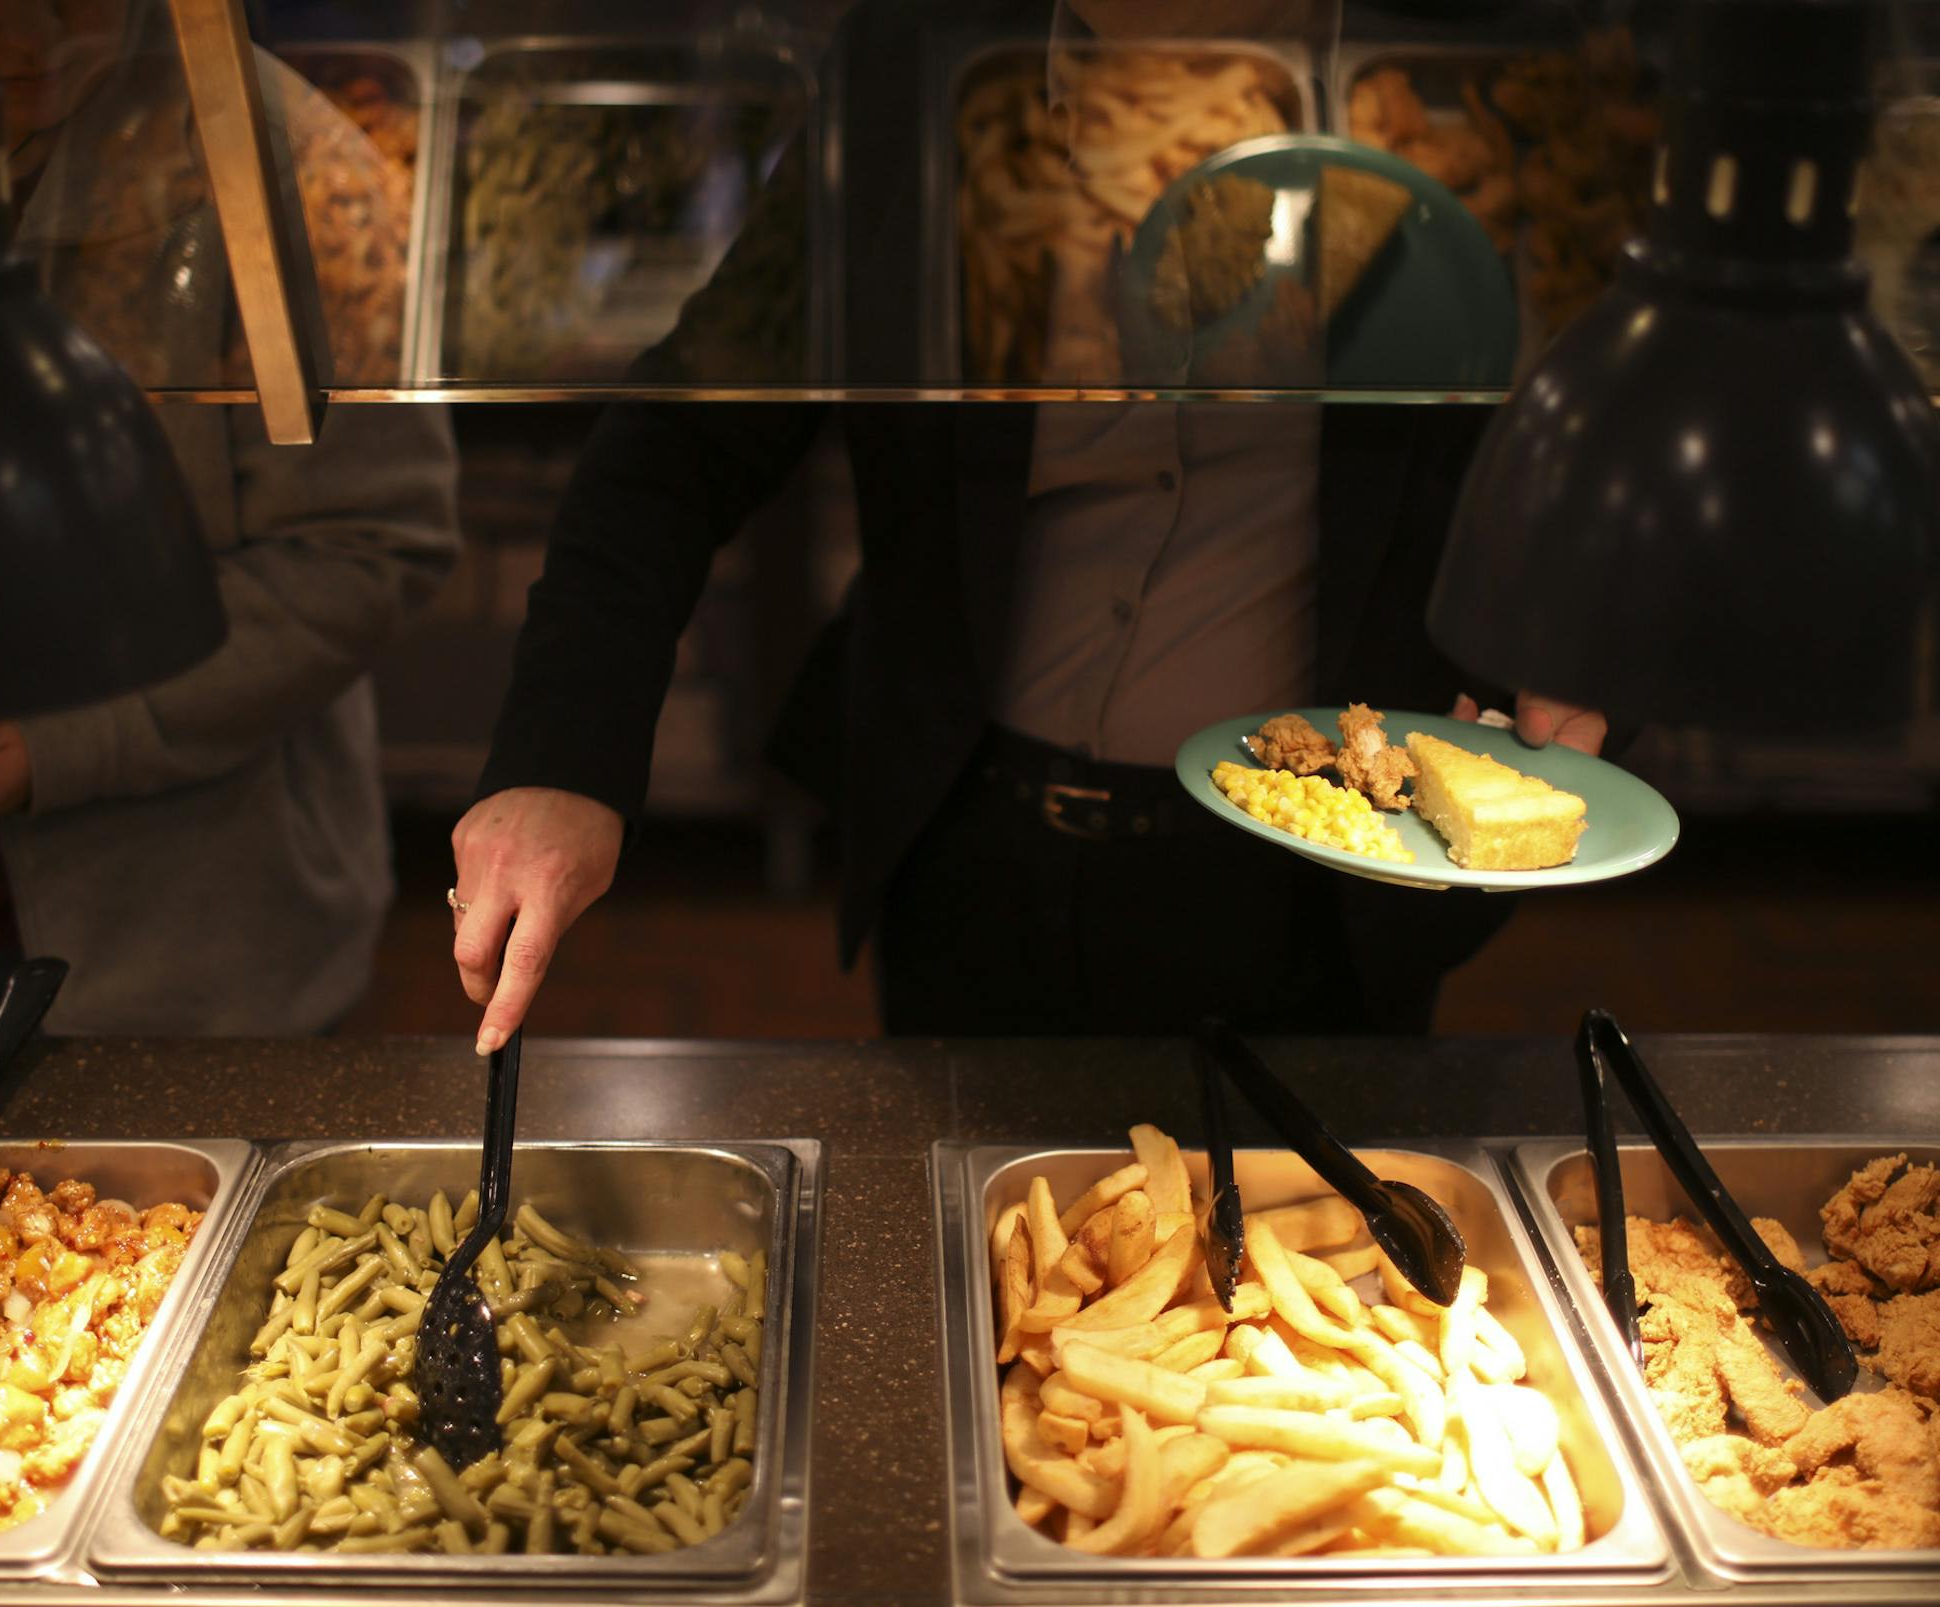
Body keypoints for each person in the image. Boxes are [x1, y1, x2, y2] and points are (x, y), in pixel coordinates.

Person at [447, 0, 1607, 1048]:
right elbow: (684, 437)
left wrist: (1591, 650)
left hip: (1330, 871)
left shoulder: (1468, 70)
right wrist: (563, 759)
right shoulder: (924, 63)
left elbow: (1623, 413)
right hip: (970, 844)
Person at [0, 0, 459, 1034]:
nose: (25, 35)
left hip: (180, 934)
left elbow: (369, 546)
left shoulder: (284, 165)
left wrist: (71, 736)